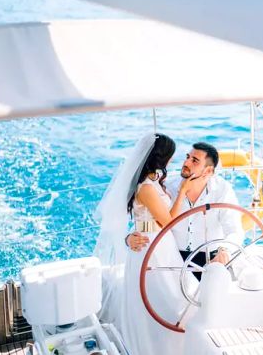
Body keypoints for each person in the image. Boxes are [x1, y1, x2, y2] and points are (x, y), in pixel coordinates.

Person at [94, 133, 194, 355]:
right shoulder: (147, 188)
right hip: (151, 247)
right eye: (170, 156)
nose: (171, 161)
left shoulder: (154, 181)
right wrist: (183, 193)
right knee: (161, 300)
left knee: (171, 296)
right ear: (161, 158)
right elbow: (167, 221)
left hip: (160, 243)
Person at [126, 142, 243, 280]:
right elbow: (147, 215)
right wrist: (128, 238)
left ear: (208, 171)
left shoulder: (222, 190)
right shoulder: (167, 186)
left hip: (211, 259)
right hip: (173, 260)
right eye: (187, 157)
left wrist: (225, 250)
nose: (186, 162)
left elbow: (234, 230)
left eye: (194, 161)